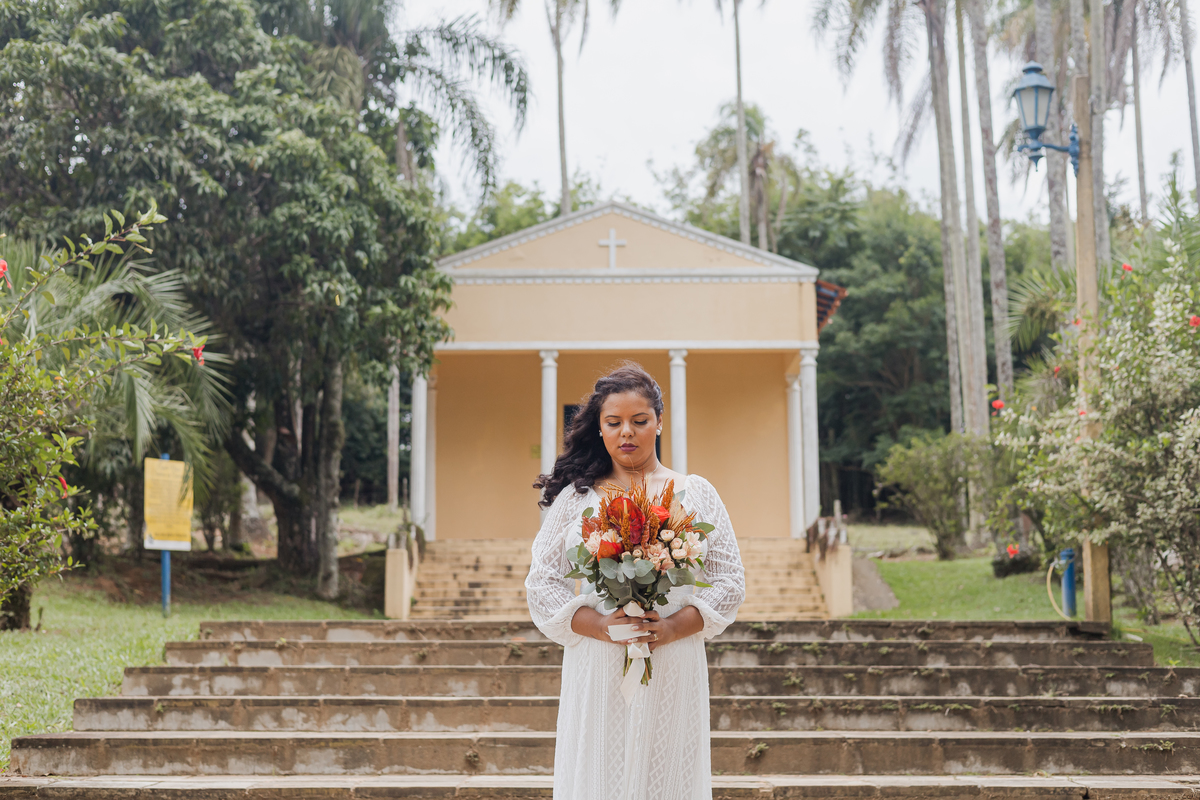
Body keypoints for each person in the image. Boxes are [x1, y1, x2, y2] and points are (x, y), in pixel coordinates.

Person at [526, 363, 745, 800]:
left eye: (640, 421)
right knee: (599, 772)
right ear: (601, 429)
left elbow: (730, 580)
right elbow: (541, 582)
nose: (627, 432)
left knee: (669, 773)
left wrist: (672, 627)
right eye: (614, 423)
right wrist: (600, 626)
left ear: (659, 423)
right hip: (598, 663)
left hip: (674, 661)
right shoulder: (577, 498)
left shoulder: (695, 492)